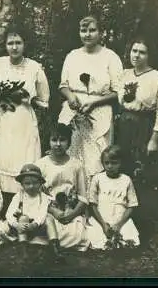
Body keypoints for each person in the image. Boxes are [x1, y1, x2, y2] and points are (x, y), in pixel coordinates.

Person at [114, 37, 158, 242]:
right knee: (124, 168)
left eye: (142, 52)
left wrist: (154, 139)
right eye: (134, 51)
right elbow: (117, 102)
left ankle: (145, 220)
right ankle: (122, 218)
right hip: (124, 128)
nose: (136, 55)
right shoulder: (123, 75)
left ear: (149, 55)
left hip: (144, 127)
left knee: (143, 171)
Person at [58, 15, 123, 189]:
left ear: (101, 33)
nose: (87, 34)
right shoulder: (73, 55)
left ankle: (94, 200)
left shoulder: (111, 57)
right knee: (73, 155)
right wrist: (71, 98)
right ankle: (72, 198)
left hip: (99, 112)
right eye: (83, 30)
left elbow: (118, 91)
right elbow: (63, 85)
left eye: (92, 30)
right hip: (74, 111)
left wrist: (94, 103)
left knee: (96, 158)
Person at [0, 24, 50, 218]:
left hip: (24, 120)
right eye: (10, 43)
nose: (14, 47)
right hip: (3, 118)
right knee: (3, 155)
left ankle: (27, 208)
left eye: (18, 43)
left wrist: (29, 99)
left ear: (25, 44)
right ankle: (3, 208)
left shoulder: (34, 67)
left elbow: (44, 100)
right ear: (5, 45)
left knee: (24, 156)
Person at [35, 124, 89, 252]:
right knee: (45, 225)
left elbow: (83, 198)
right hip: (48, 210)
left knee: (77, 234)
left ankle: (51, 242)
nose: (58, 144)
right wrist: (53, 211)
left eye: (62, 140)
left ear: (69, 142)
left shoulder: (77, 165)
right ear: (48, 141)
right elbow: (36, 196)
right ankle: (51, 240)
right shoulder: (41, 164)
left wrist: (72, 214)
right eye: (54, 140)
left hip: (70, 210)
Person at [86, 145, 140, 250]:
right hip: (101, 218)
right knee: (97, 238)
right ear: (103, 163)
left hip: (120, 218)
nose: (110, 166)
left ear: (120, 163)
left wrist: (119, 224)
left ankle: (118, 241)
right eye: (107, 163)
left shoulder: (126, 180)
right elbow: (93, 203)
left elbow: (131, 205)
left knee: (129, 239)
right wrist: (103, 224)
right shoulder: (97, 178)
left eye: (114, 163)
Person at [5, 163, 62, 259]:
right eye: (27, 183)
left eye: (35, 183)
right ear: (22, 184)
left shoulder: (43, 197)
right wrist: (16, 225)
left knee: (49, 218)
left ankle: (55, 248)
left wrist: (35, 224)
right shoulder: (19, 196)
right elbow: (9, 214)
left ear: (40, 183)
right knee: (23, 218)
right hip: (21, 227)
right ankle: (23, 248)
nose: (31, 186)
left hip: (36, 226)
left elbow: (42, 213)